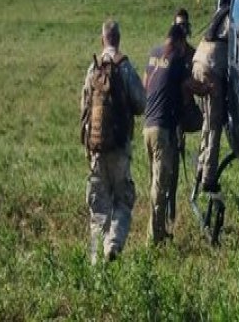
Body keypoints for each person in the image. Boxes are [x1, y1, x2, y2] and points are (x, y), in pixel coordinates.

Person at [79, 19, 146, 265]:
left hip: (96, 148)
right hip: (119, 147)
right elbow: (141, 103)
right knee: (123, 200)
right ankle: (114, 245)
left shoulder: (92, 69)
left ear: (103, 39)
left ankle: (97, 259)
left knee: (99, 207)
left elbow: (84, 108)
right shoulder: (125, 68)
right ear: (119, 39)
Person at [143, 23, 209, 243]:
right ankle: (155, 238)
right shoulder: (178, 59)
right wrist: (209, 88)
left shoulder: (153, 54)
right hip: (163, 129)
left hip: (148, 126)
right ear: (180, 42)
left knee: (154, 180)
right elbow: (190, 86)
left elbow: (146, 84)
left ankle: (156, 229)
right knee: (160, 186)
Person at [193, 5, 230, 193]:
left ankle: (200, 166)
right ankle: (209, 176)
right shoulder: (236, 13)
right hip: (212, 68)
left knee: (207, 120)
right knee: (215, 124)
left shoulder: (222, 11)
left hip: (199, 61)